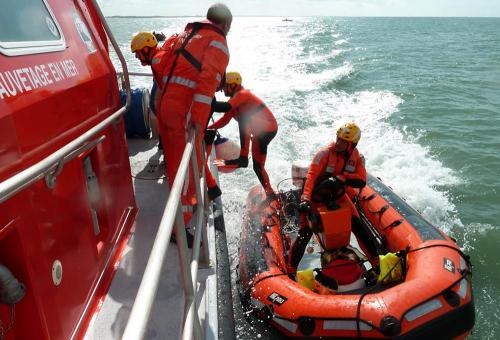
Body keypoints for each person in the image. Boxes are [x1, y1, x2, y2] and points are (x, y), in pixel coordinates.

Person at [131, 3, 232, 245]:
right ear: (226, 24)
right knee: (185, 172)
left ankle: (209, 188)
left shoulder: (189, 34)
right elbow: (206, 85)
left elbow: (167, 71)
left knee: (180, 164)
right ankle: (179, 228)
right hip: (182, 112)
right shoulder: (217, 43)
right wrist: (197, 120)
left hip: (166, 108)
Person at [288, 122, 367, 272]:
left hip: (338, 196)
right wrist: (305, 199)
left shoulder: (357, 158)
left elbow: (361, 181)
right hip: (315, 198)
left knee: (359, 228)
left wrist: (342, 177)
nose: (338, 143)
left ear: (352, 144)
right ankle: (290, 270)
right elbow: (310, 177)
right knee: (304, 234)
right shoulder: (324, 154)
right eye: (338, 139)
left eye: (343, 141)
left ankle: (377, 263)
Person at [208, 72, 278, 198]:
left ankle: (243, 158)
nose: (222, 90)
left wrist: (207, 97)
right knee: (258, 168)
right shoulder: (234, 101)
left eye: (224, 86)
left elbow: (224, 107)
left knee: (245, 118)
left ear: (233, 85)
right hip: (258, 134)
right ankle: (270, 194)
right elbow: (224, 120)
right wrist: (208, 128)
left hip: (269, 127)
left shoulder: (243, 94)